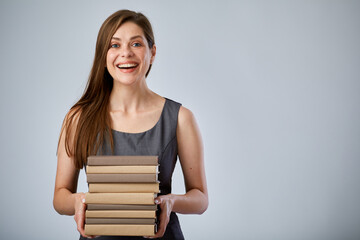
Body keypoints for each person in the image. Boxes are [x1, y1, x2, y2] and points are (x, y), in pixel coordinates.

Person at [53, 9, 208, 240]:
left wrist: (171, 201)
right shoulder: (77, 118)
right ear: (103, 56)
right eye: (114, 45)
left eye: (136, 44)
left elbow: (201, 198)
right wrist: (78, 200)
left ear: (152, 53)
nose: (125, 53)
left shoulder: (181, 118)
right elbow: (59, 196)